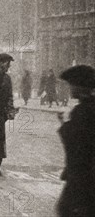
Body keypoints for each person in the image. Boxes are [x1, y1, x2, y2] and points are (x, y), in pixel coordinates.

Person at [56, 65, 95, 216]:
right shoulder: (88, 107)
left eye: (72, 84)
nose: (70, 88)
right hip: (85, 174)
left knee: (68, 209)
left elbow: (76, 143)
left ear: (80, 87)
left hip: (83, 176)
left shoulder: (83, 111)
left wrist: (65, 124)